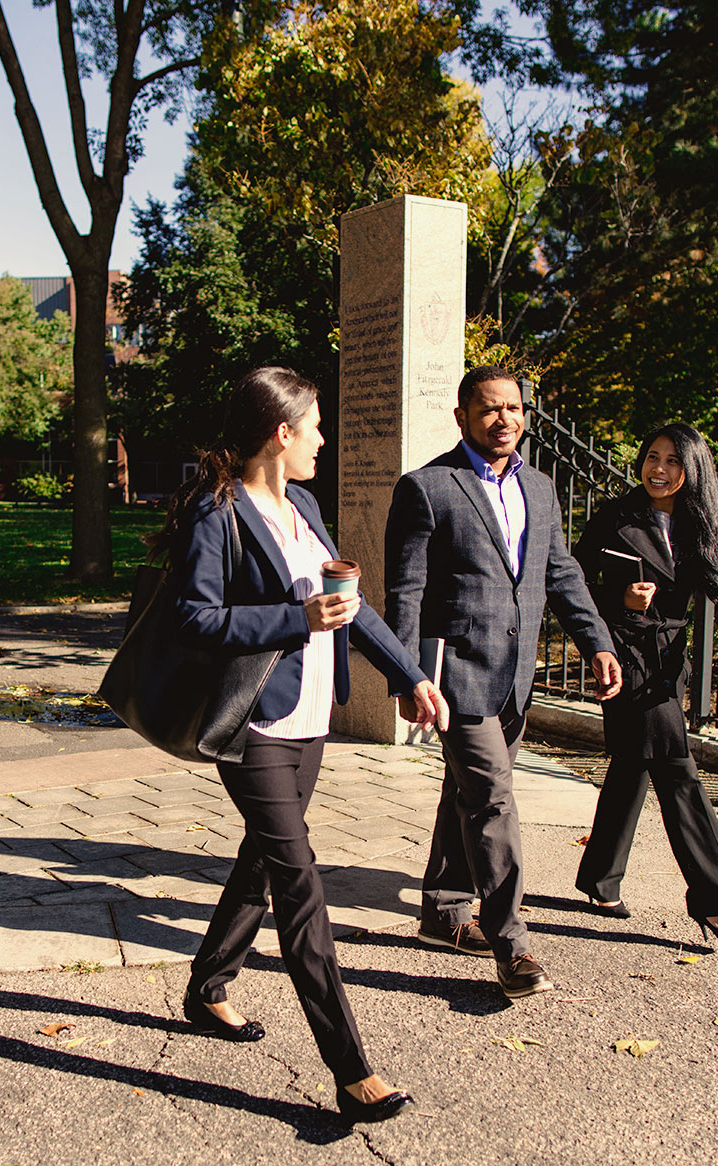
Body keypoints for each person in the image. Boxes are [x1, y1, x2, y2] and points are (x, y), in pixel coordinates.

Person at [165, 366, 451, 1123]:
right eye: (315, 427)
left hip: (310, 721)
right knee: (299, 887)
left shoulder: (305, 505)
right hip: (254, 723)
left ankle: (206, 986)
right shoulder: (214, 512)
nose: (324, 439)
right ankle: (351, 1070)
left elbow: (348, 607)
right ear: (281, 434)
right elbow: (194, 621)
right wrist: (295, 617)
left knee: (262, 859)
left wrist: (408, 674)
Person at [384, 366, 623, 999]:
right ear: (462, 416)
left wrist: (595, 640)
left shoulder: (540, 488)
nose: (504, 419)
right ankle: (511, 943)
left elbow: (561, 572)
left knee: (465, 791)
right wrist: (406, 676)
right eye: (489, 409)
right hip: (456, 671)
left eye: (514, 408)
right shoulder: (429, 487)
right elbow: (404, 590)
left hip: (515, 675)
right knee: (492, 797)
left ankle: (441, 910)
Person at [571, 422, 718, 942]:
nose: (658, 469)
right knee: (675, 767)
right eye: (651, 457)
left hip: (668, 662)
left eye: (671, 461)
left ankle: (599, 879)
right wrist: (619, 600)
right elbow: (571, 580)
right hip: (623, 656)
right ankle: (716, 901)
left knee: (630, 765)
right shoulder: (615, 515)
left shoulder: (698, 523)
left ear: (692, 470)